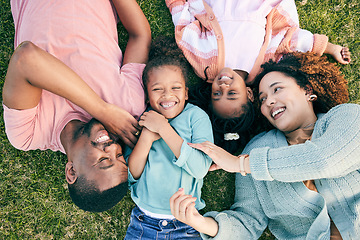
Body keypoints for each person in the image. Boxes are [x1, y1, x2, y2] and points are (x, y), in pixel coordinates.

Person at [170, 52, 360, 239]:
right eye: (262, 99)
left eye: (277, 89)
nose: (268, 101)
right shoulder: (256, 150)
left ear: (307, 90)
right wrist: (203, 224)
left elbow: (323, 160)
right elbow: (248, 221)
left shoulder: (347, 117)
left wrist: (241, 165)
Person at [2, 0, 151, 212]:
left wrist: (102, 110)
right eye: (119, 157)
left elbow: (26, 58)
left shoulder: (28, 134)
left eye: (103, 160)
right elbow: (140, 36)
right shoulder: (126, 108)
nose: (113, 147)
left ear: (71, 172)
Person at [166, 0, 351, 154]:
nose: (222, 86)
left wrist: (175, 4)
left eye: (216, 94)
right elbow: (291, 41)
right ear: (250, 94)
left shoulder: (203, 65)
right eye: (232, 94)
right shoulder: (266, 66)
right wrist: (329, 48)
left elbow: (184, 33)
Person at [124, 37, 213, 239]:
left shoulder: (196, 117)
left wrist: (164, 129)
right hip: (143, 224)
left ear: (186, 93)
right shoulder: (142, 119)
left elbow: (200, 169)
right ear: (147, 96)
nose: (167, 95)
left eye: (176, 88)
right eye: (157, 89)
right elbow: (130, 174)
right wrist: (146, 137)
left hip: (187, 223)